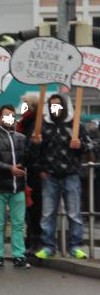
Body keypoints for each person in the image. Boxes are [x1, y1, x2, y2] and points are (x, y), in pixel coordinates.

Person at [31, 94, 93, 260]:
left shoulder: (75, 124)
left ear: (64, 106)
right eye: (52, 106)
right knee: (47, 214)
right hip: (49, 175)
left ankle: (76, 246)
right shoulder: (42, 126)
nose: (55, 108)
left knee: (74, 213)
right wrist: (40, 168)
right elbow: (34, 153)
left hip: (71, 174)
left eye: (58, 105)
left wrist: (80, 145)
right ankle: (48, 246)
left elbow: (90, 145)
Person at [0, 105, 31, 270]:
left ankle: (19, 255)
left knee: (18, 223)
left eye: (12, 115)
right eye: (6, 115)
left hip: (17, 186)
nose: (9, 118)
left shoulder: (21, 137)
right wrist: (10, 168)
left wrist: (22, 165)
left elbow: (28, 157)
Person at [17, 96, 42, 254]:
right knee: (28, 208)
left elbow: (33, 149)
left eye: (25, 104)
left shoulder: (36, 124)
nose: (23, 107)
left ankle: (36, 240)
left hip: (34, 171)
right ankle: (30, 239)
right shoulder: (23, 123)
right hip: (26, 170)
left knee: (35, 207)